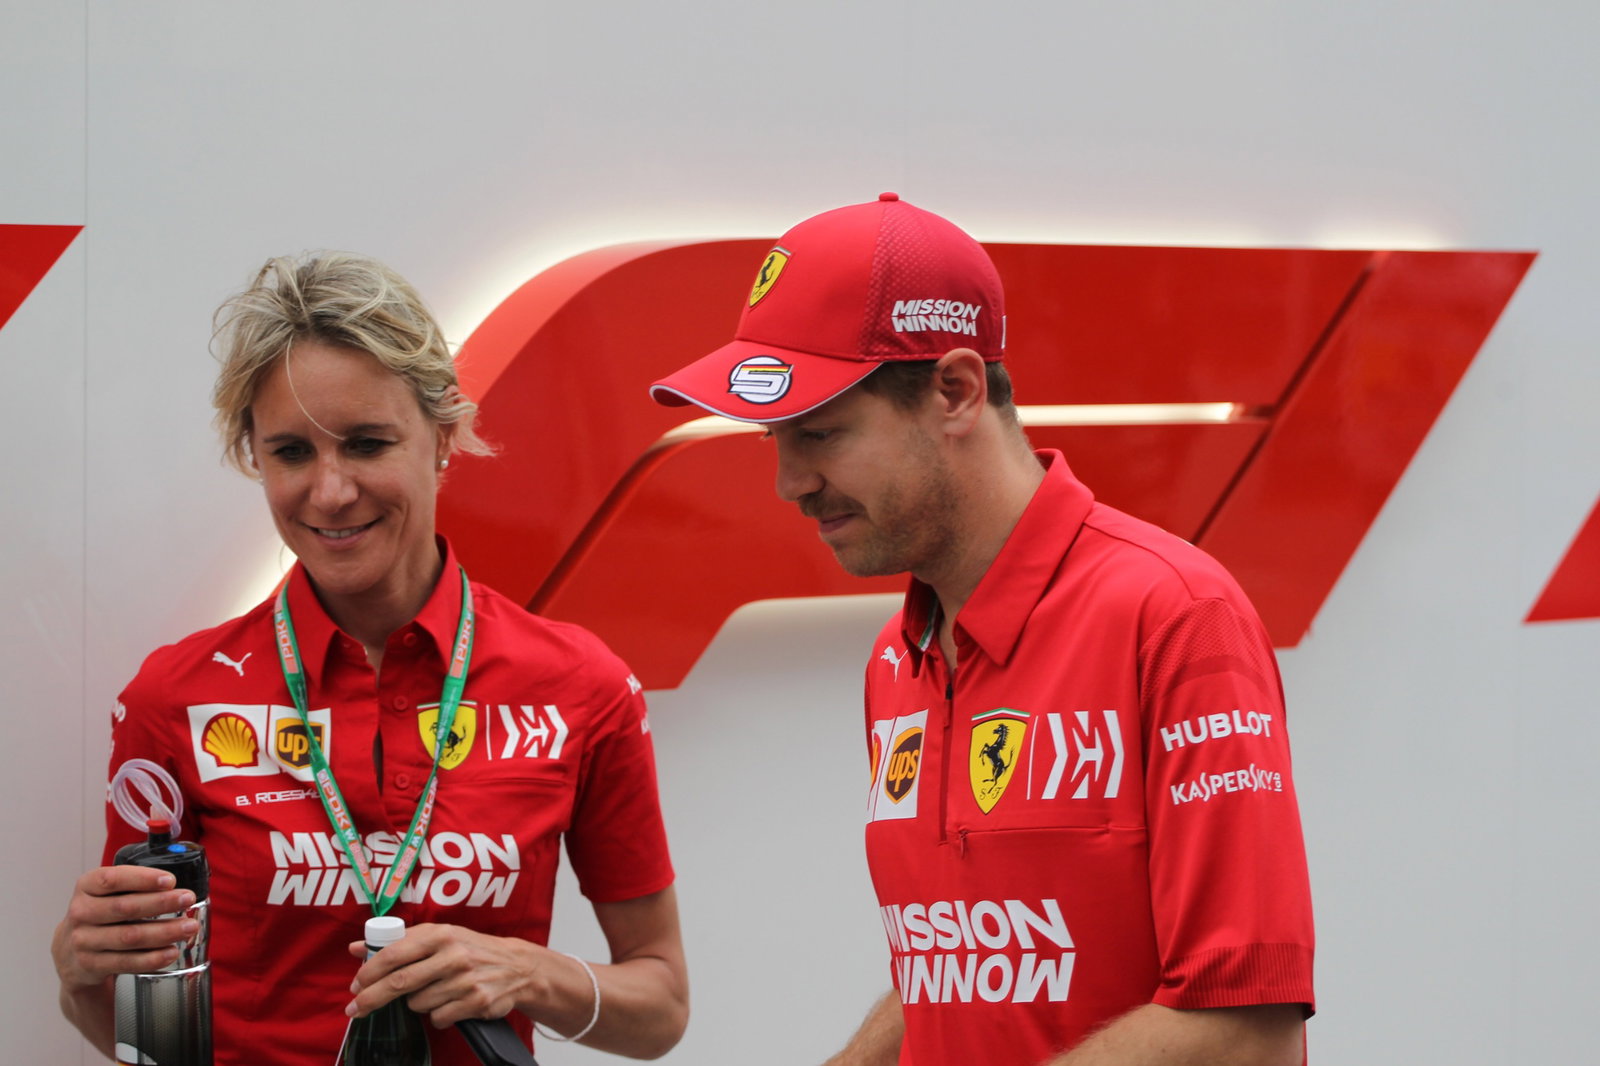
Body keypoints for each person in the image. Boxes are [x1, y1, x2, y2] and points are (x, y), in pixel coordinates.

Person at [649, 194, 1314, 1065]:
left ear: (955, 390)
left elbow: (1246, 1029)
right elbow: (963, 966)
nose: (790, 482)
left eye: (819, 433)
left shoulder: (1175, 615)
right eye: (778, 439)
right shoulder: (899, 655)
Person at [52, 251, 689, 1065]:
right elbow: (144, 1030)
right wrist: (79, 979)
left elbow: (660, 1006)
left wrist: (528, 971)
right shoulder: (174, 698)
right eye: (289, 452)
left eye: (365, 443)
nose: (329, 491)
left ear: (444, 437)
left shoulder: (580, 686)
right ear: (253, 455)